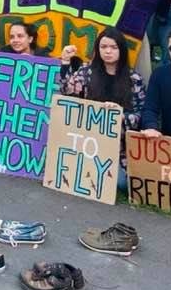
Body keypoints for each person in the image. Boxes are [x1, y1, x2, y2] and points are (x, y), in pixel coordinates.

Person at [62, 28, 145, 190]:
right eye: (103, 47)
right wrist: (65, 62)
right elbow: (67, 92)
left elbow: (141, 114)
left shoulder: (134, 79)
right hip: (86, 141)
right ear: (97, 49)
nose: (108, 51)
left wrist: (121, 115)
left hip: (118, 146)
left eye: (114, 47)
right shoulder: (86, 72)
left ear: (121, 50)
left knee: (120, 182)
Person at [0, 22, 50, 116]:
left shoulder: (44, 57)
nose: (15, 40)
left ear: (30, 39)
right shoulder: (4, 53)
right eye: (12, 37)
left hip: (33, 110)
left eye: (20, 36)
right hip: (7, 112)